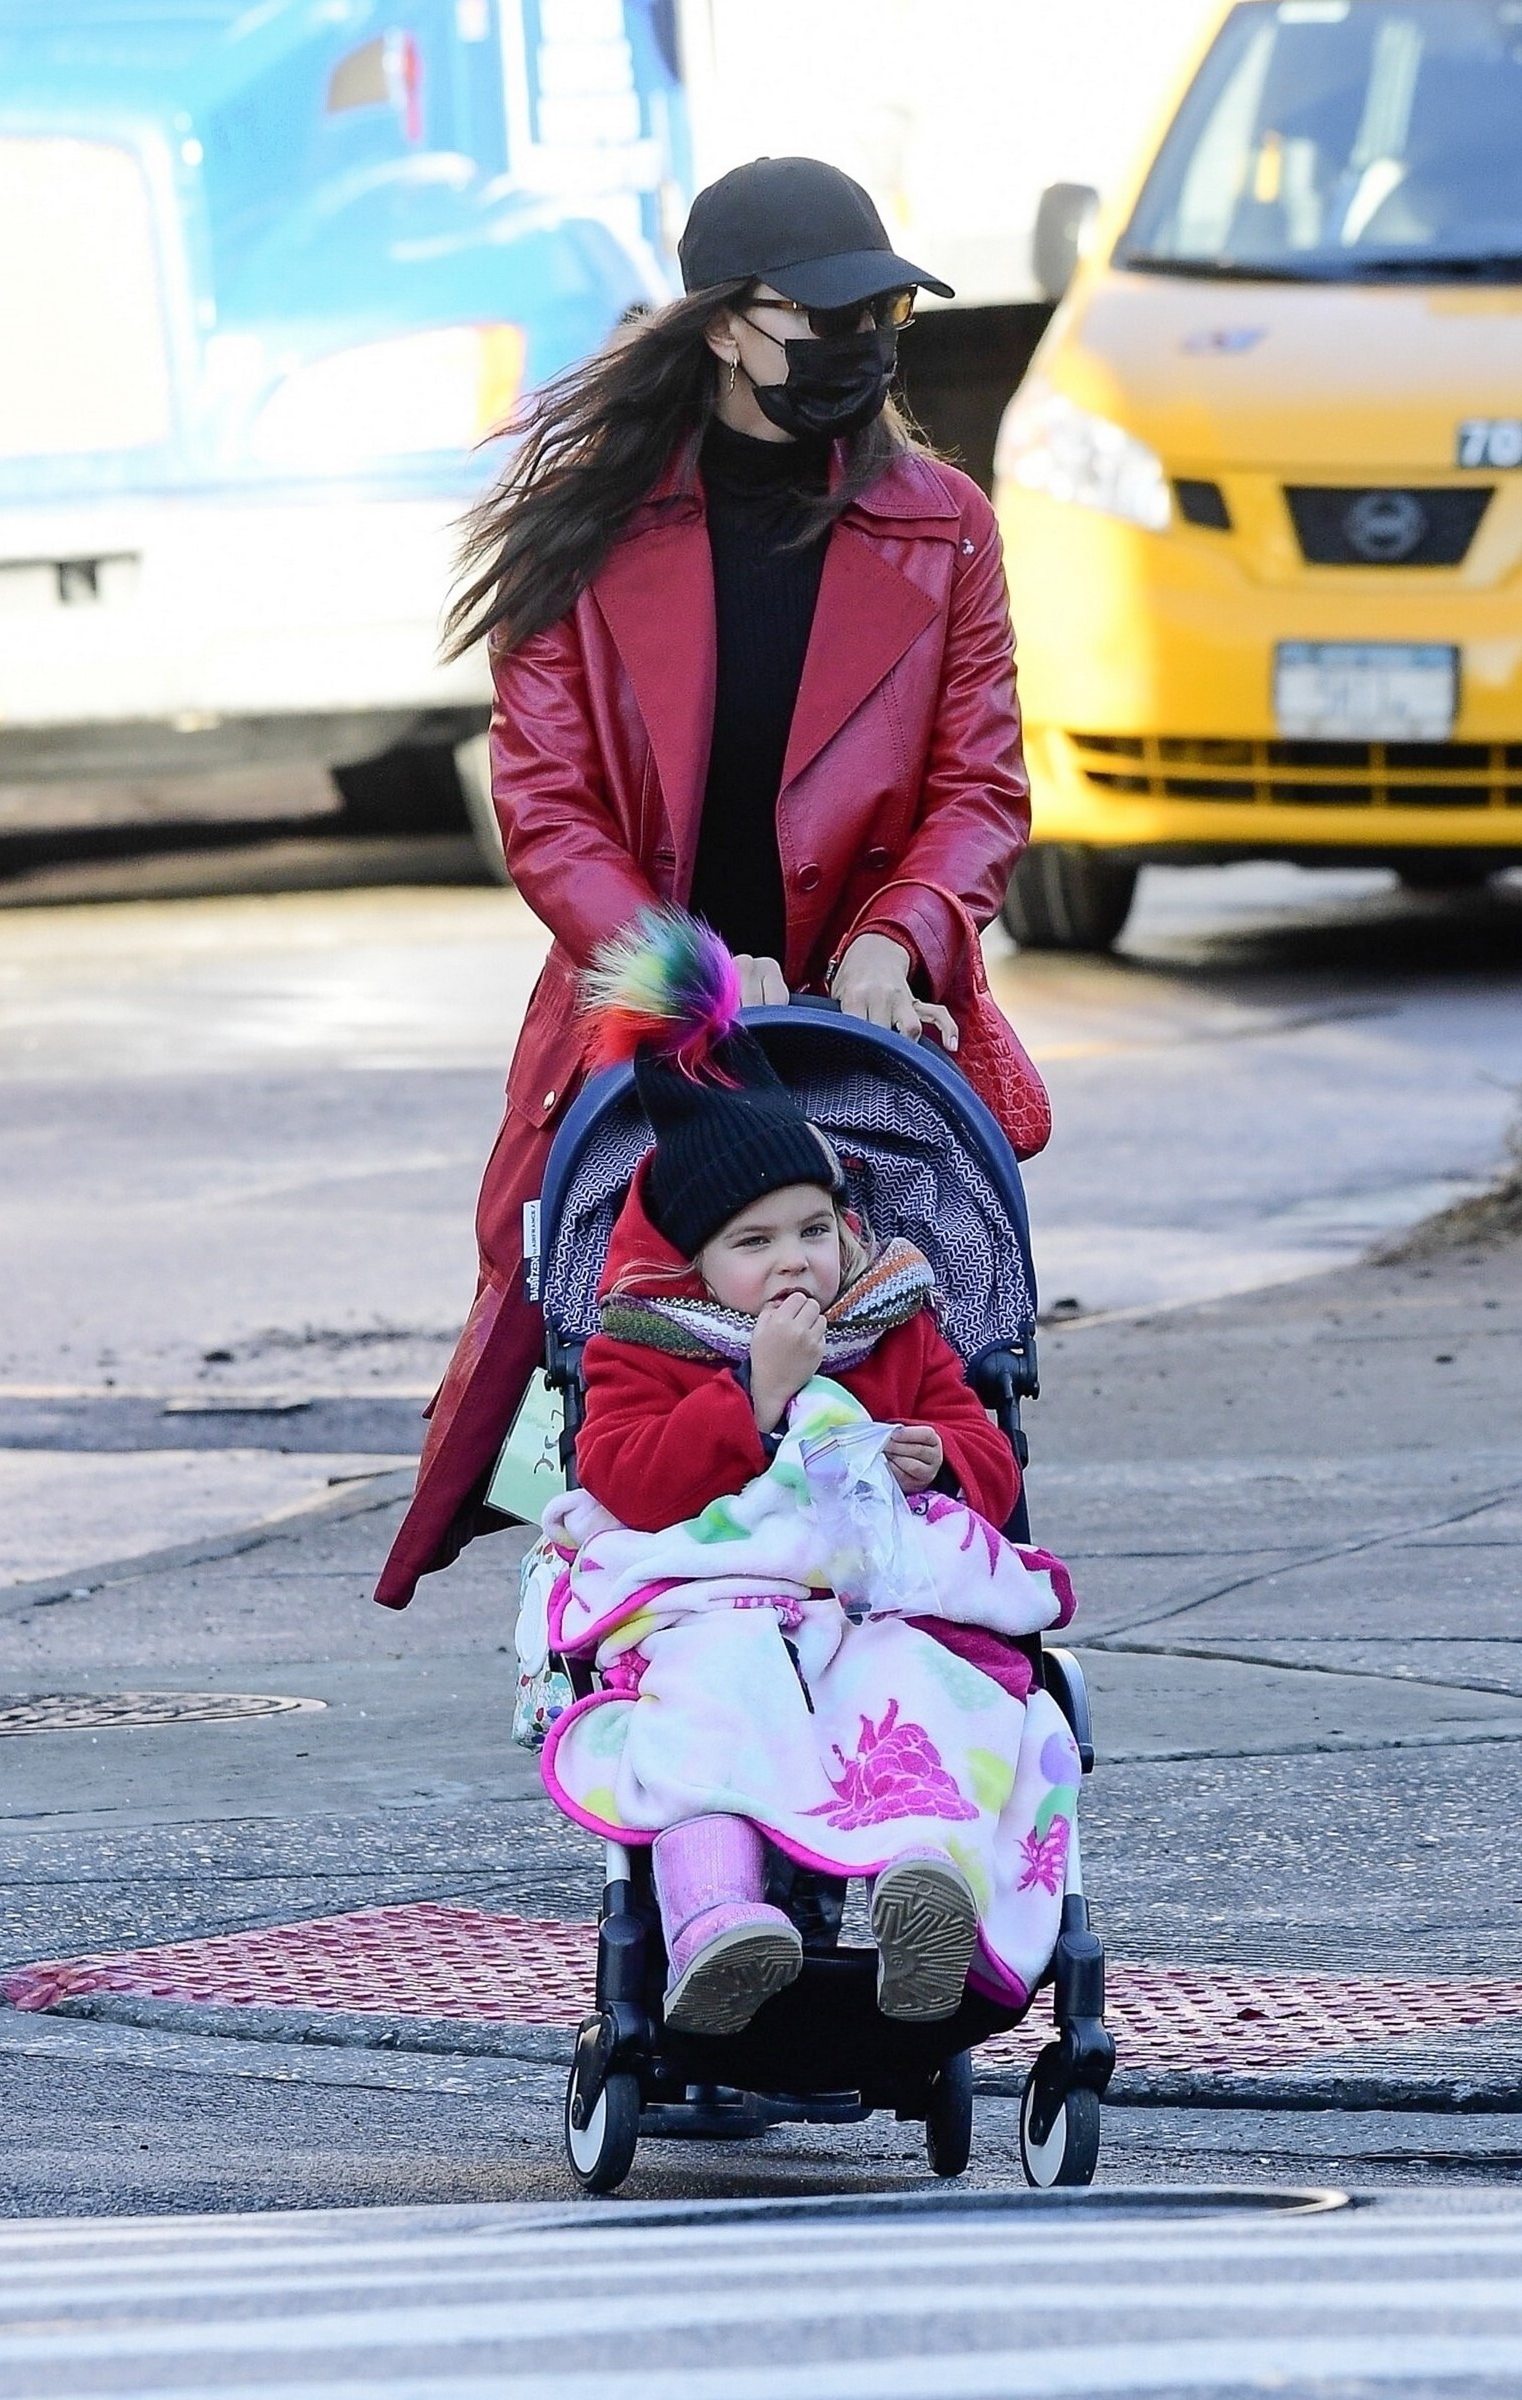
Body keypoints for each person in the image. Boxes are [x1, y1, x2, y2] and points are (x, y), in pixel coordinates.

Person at [376, 154, 1031, 1611]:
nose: (861, 349)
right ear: (727, 326)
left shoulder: (944, 525)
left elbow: (980, 787)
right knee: (598, 1320)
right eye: (825, 319)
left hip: (866, 1026)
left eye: (884, 319)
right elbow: (551, 815)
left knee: (930, 1325)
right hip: (653, 1019)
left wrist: (899, 938)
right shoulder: (585, 526)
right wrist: (704, 977)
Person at [535, 910, 1079, 2037]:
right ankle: (718, 1919)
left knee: (918, 1679)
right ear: (694, 1261)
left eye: (813, 1229)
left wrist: (944, 1458)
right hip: (721, 1599)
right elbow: (628, 1480)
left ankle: (925, 1883)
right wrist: (754, 1397)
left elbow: (976, 1445)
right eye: (754, 1243)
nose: (794, 1261)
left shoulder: (888, 1315)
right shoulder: (649, 1336)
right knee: (707, 1699)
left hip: (869, 1596)